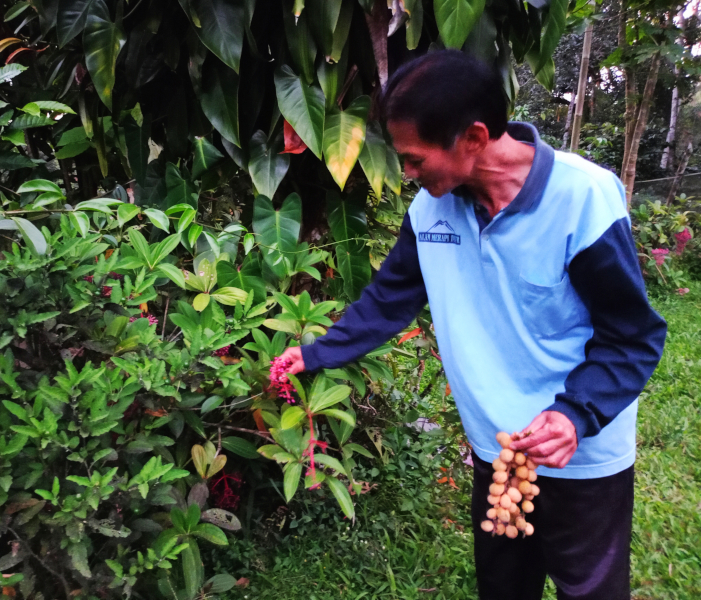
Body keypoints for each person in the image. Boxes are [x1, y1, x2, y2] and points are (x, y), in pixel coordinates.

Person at [277, 50, 667, 600]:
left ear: (475, 136)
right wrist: (316, 353)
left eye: (414, 159)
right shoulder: (431, 210)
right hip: (497, 445)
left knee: (591, 591)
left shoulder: (582, 198)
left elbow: (633, 335)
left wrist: (576, 414)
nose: (407, 174)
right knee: (504, 587)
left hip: (580, 452)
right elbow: (390, 300)